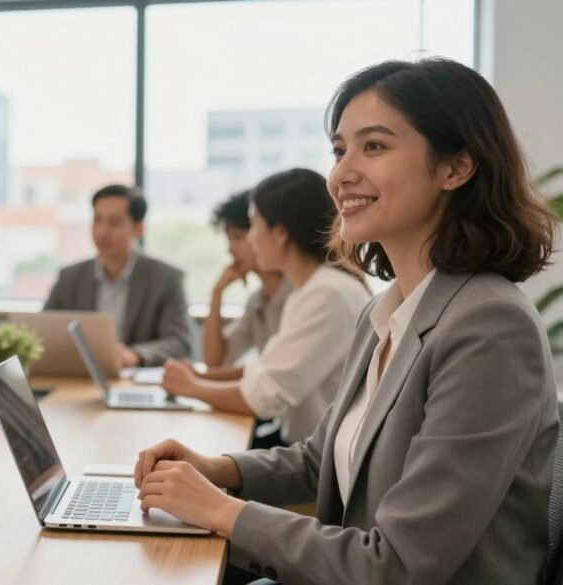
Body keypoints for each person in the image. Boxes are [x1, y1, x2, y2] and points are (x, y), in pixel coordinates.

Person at [134, 58, 558, 585]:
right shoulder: (388, 310)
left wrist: (220, 510)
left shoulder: (489, 325)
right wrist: (218, 468)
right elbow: (323, 459)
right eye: (340, 150)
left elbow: (400, 565)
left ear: (456, 168)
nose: (340, 174)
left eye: (373, 146)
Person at [163, 168, 371, 446]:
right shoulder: (311, 291)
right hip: (305, 447)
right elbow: (260, 374)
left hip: (318, 459)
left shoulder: (326, 294)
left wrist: (192, 387)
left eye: (252, 226)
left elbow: (261, 397)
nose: (248, 241)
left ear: (281, 233)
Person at [44, 184, 190, 367]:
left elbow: (179, 343)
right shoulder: (69, 278)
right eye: (97, 220)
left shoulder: (165, 278)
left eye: (115, 223)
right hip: (80, 379)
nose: (103, 231)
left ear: (138, 228)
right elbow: (43, 334)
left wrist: (135, 355)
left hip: (135, 383)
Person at [200, 190, 292, 382]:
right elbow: (216, 361)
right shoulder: (258, 300)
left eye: (238, 237)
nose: (230, 249)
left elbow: (273, 373)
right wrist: (216, 294)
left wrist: (197, 380)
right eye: (229, 239)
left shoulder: (301, 292)